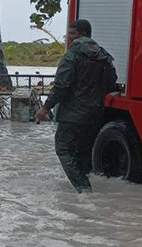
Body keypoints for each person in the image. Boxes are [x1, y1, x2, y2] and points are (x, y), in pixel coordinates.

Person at [35, 19, 117, 194]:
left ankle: (83, 189)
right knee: (83, 153)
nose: (69, 38)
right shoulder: (103, 56)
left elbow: (61, 85)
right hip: (95, 114)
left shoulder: (72, 55)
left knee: (63, 148)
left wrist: (45, 108)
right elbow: (112, 81)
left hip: (72, 115)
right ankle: (85, 192)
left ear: (83, 34)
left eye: (72, 34)